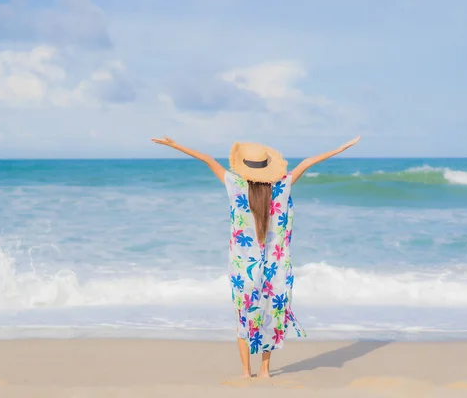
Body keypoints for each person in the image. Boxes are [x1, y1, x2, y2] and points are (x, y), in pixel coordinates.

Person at [151, 135, 360, 379]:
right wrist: (339, 148)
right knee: (269, 315)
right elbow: (307, 162)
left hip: (243, 269)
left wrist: (175, 145)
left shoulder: (234, 184)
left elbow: (207, 159)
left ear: (244, 166)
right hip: (275, 268)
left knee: (244, 318)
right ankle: (265, 370)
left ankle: (244, 372)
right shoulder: (282, 186)